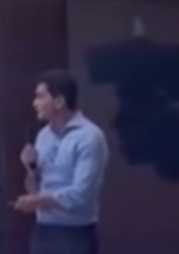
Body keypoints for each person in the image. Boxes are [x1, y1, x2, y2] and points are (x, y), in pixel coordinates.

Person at [12, 69, 108, 254]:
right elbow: (35, 190)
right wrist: (29, 167)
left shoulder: (89, 137)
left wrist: (39, 201)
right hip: (43, 231)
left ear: (59, 102)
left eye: (40, 97)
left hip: (75, 234)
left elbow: (81, 195)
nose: (34, 103)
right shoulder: (43, 136)